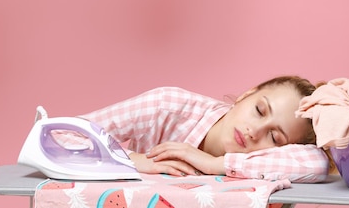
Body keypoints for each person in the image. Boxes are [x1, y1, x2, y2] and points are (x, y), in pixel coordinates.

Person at [80, 76, 330, 183]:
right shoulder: (166, 106)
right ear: (247, 94)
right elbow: (58, 136)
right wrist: (131, 160)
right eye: (259, 111)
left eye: (275, 137)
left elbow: (317, 163)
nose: (255, 131)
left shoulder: (281, 162)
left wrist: (215, 165)